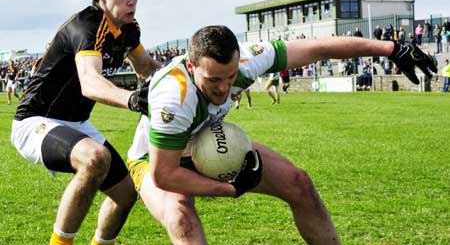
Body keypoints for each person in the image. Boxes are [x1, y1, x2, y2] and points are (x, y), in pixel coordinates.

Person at [126, 25, 436, 245]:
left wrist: (391, 48)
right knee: (182, 221)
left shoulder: (248, 59)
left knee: (298, 183)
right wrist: (231, 189)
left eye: (230, 77)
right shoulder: (173, 96)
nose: (223, 88)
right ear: (191, 66)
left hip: (210, 140)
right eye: (213, 79)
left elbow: (319, 48)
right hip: (156, 159)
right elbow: (164, 174)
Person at [10, 0, 159, 245]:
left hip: (77, 124)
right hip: (36, 120)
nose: (132, 1)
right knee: (95, 158)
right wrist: (131, 99)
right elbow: (90, 83)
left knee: (127, 193)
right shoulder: (88, 25)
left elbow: (147, 68)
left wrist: (193, 79)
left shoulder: (128, 29)